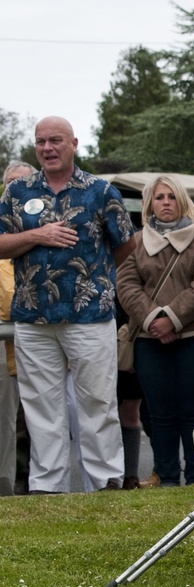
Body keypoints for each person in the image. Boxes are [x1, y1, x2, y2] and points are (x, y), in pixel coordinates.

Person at [0, 117, 135, 493]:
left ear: (73, 143)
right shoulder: (16, 192)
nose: (47, 147)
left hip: (90, 317)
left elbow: (126, 245)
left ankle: (105, 484)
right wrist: (37, 235)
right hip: (33, 317)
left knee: (98, 404)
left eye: (55, 140)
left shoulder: (100, 191)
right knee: (42, 409)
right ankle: (48, 488)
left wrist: (95, 280)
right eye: (41, 141)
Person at [116, 175, 194, 488]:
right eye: (159, 197)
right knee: (159, 413)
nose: (165, 203)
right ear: (150, 204)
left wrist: (171, 319)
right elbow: (127, 285)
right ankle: (165, 475)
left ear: (182, 202)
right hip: (149, 340)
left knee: (192, 411)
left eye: (171, 197)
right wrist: (152, 320)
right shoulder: (136, 243)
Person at [0, 160, 35, 496]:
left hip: (42, 347)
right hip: (7, 352)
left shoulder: (45, 231)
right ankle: (15, 489)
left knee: (40, 424)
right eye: (10, 184)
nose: (16, 190)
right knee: (12, 428)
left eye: (23, 183)